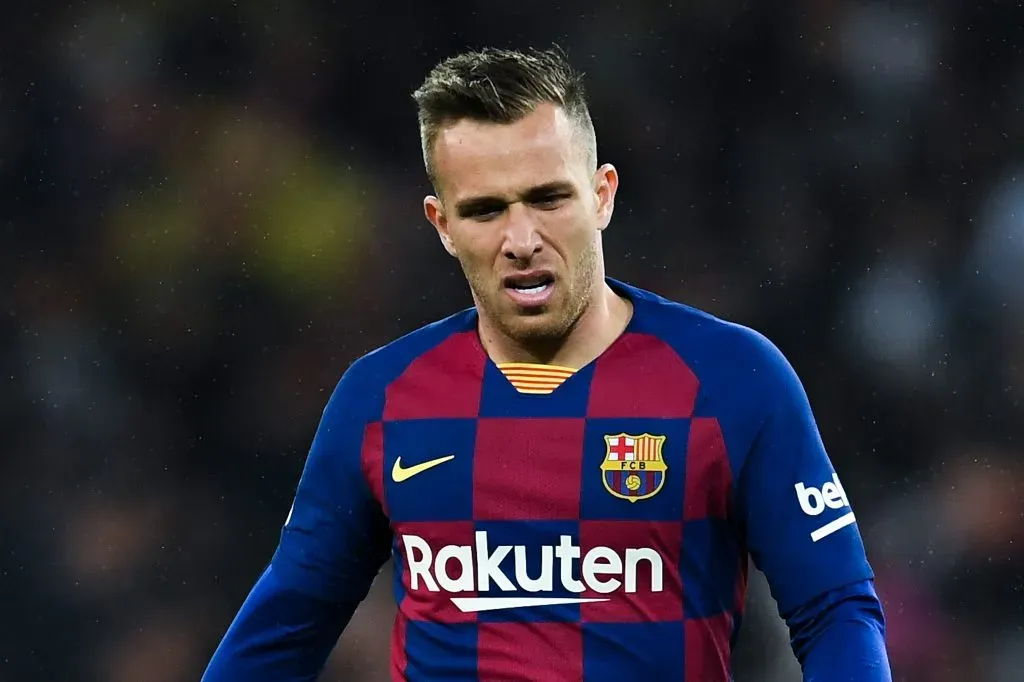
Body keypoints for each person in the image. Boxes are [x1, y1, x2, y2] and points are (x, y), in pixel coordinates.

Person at [202, 45, 891, 681]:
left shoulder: (732, 379)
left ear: (602, 194)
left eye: (548, 197)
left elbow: (835, 608)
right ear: (442, 225)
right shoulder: (381, 399)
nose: (521, 239)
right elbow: (284, 626)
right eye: (485, 210)